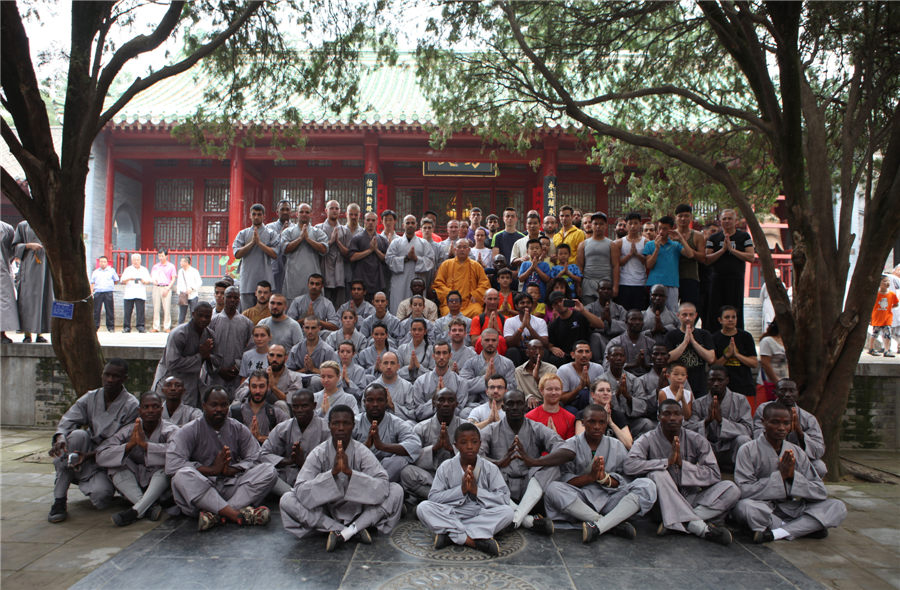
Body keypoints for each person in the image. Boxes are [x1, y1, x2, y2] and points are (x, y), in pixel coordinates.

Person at [279, 404, 404, 549]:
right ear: (329, 425)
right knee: (287, 500)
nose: (340, 428)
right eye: (336, 423)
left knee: (396, 490)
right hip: (327, 511)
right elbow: (300, 490)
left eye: (346, 423)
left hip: (360, 508)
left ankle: (346, 531)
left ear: (353, 426)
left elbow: (382, 486)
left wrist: (350, 473)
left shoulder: (361, 451)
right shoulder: (318, 453)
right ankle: (345, 530)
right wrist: (332, 473)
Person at [624, 400, 739, 544]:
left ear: (683, 417)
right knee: (657, 474)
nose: (672, 418)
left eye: (677, 414)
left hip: (691, 497)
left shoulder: (696, 439)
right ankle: (698, 526)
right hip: (661, 504)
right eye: (667, 414)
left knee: (731, 489)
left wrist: (683, 465)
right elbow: (629, 465)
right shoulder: (647, 439)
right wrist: (666, 462)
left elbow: (714, 474)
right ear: (659, 417)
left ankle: (677, 522)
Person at [540, 404, 657, 542]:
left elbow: (626, 479)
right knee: (552, 488)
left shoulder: (616, 445)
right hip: (580, 500)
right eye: (591, 422)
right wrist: (590, 478)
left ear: (606, 423)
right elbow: (563, 478)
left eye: (601, 422)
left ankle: (599, 525)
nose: (597, 426)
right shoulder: (570, 445)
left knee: (647, 485)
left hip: (610, 498)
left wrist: (604, 479)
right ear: (583, 423)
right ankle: (608, 524)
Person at [733, 402, 847, 543]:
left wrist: (793, 477)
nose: (781, 428)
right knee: (744, 507)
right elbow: (744, 490)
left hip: (792, 508)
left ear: (791, 425)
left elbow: (820, 492)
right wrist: (780, 476)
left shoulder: (797, 451)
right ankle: (802, 528)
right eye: (775, 423)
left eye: (786, 423)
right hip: (763, 508)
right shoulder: (747, 450)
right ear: (763, 422)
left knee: (837, 506)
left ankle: (775, 533)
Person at [166, 386, 277, 530]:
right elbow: (172, 465)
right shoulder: (189, 430)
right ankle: (235, 514)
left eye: (223, 405)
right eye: (214, 405)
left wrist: (232, 469)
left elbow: (255, 457)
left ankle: (217, 514)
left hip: (231, 485)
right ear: (204, 405)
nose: (219, 409)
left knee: (269, 470)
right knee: (181, 476)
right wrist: (211, 470)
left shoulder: (237, 428)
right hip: (202, 488)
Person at [47, 359, 139, 523]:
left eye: (115, 376)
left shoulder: (131, 405)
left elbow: (121, 443)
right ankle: (59, 500)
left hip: (107, 460)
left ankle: (77, 474)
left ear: (124, 379)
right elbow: (68, 420)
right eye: (107, 375)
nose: (110, 380)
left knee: (101, 498)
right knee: (75, 437)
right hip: (84, 447)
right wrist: (60, 438)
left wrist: (88, 456)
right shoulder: (91, 397)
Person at [417, 422, 515, 556]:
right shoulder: (446, 467)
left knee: (508, 512)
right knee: (423, 508)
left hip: (479, 513)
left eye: (474, 442)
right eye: (463, 442)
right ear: (456, 446)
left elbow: (504, 498)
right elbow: (433, 498)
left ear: (480, 444)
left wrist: (477, 492)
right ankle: (472, 540)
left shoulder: (490, 468)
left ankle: (450, 535)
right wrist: (461, 490)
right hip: (452, 513)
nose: (469, 446)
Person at [479, 390, 561, 534]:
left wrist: (534, 462)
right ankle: (527, 521)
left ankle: (515, 518)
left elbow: (564, 448)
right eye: (510, 404)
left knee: (553, 467)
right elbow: (474, 455)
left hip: (530, 485)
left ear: (525, 407)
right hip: (501, 485)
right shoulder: (491, 430)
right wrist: (498, 463)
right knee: (479, 471)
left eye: (519, 404)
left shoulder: (536, 428)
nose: (515, 408)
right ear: (503, 407)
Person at [96, 391, 178, 526]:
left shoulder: (170, 430)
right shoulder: (129, 431)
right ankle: (147, 507)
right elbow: (101, 455)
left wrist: (146, 446)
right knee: (114, 465)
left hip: (160, 485)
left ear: (161, 410)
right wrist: (129, 445)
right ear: (139, 410)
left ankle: (135, 512)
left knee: (168, 468)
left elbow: (178, 452)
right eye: (146, 407)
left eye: (155, 406)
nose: (150, 410)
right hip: (135, 481)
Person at [260, 389, 331, 496]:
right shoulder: (283, 428)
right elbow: (263, 454)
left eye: (304, 406)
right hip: (286, 479)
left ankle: (293, 497)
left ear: (314, 405)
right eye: (295, 407)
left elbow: (331, 465)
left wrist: (304, 463)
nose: (299, 410)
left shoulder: (326, 430)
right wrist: (288, 460)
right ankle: (294, 496)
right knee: (264, 472)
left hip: (314, 477)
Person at [753, 379, 827, 478]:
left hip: (798, 458)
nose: (787, 394)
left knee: (820, 467)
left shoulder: (808, 418)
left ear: (798, 393)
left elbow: (819, 451)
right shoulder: (764, 409)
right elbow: (757, 436)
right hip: (768, 455)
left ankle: (800, 489)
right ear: (775, 392)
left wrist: (799, 432)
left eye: (792, 391)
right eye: (783, 390)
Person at [402, 388, 464, 501]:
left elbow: (473, 457)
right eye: (441, 400)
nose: (446, 404)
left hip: (457, 476)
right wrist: (434, 449)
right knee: (406, 473)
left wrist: (451, 449)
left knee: (476, 473)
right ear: (434, 403)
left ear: (456, 404)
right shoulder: (421, 428)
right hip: (430, 477)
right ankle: (448, 498)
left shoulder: (466, 427)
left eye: (450, 400)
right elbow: (413, 458)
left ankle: (435, 499)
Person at [687, 365, 752, 471]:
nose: (716, 384)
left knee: (744, 440)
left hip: (730, 447)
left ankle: (741, 472)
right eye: (712, 380)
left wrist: (721, 421)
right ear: (707, 381)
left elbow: (748, 429)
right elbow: (688, 429)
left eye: (720, 380)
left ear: (727, 380)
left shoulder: (740, 400)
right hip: (708, 448)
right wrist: (706, 421)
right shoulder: (698, 403)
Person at [353, 384, 422, 482]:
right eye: (370, 400)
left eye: (380, 400)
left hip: (387, 471)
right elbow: (343, 449)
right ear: (364, 402)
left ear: (386, 402)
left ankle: (377, 483)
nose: (375, 404)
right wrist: (365, 446)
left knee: (400, 459)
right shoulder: (355, 422)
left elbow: (415, 445)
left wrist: (382, 446)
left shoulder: (396, 422)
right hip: (360, 469)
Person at [152, 302, 216, 407]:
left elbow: (215, 362)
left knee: (187, 416)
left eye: (207, 317)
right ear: (193, 314)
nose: (203, 319)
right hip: (169, 380)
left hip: (191, 383)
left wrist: (208, 357)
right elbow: (172, 363)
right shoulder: (178, 334)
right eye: (200, 316)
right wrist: (200, 356)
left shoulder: (210, 335)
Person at [705, 209, 755, 330]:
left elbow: (751, 257)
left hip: (735, 279)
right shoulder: (714, 238)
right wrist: (722, 251)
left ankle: (736, 337)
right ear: (720, 221)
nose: (727, 221)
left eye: (729, 219)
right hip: (717, 279)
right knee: (714, 310)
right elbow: (707, 259)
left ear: (735, 221)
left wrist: (732, 251)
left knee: (735, 309)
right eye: (724, 219)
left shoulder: (743, 236)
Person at [206, 286, 254, 396]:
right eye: (229, 297)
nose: (232, 300)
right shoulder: (213, 322)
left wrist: (238, 366)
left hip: (237, 373)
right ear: (223, 298)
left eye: (236, 297)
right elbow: (207, 349)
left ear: (239, 299)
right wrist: (219, 369)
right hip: (217, 374)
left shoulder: (247, 323)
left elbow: (251, 348)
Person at [642, 215, 694, 313]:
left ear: (671, 229)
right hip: (655, 283)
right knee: (654, 311)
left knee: (672, 312)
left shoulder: (675, 245)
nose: (661, 231)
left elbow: (690, 255)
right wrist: (657, 249)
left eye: (665, 229)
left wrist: (681, 239)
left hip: (672, 283)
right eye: (659, 228)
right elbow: (649, 265)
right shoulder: (650, 244)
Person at [233, 204, 280, 310]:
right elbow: (237, 254)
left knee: (265, 314)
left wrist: (259, 243)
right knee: (247, 314)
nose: (256, 217)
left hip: (265, 279)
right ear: (250, 215)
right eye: (254, 214)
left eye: (259, 214)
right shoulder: (243, 233)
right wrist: (252, 243)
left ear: (264, 216)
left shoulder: (271, 233)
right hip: (247, 281)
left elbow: (275, 254)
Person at [12, 220, 53, 341]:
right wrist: (28, 246)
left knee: (45, 299)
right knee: (27, 300)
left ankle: (40, 334)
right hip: (29, 267)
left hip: (47, 268)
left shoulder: (49, 224)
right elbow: (14, 247)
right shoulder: (23, 225)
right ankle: (27, 334)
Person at [385, 215, 435, 313]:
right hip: (400, 282)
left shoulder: (424, 243)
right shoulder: (396, 242)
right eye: (408, 223)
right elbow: (389, 259)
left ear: (416, 225)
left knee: (418, 308)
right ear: (403, 225)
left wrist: (416, 259)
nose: (410, 225)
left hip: (418, 281)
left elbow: (430, 261)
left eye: (413, 223)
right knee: (398, 309)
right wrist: (406, 258)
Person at [664, 302, 715, 398]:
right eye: (684, 315)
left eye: (691, 315)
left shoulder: (704, 334)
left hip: (700, 384)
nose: (688, 318)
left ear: (696, 315)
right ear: (678, 316)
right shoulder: (671, 335)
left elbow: (711, 358)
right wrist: (685, 342)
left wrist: (693, 341)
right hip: (677, 383)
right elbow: (668, 358)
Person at [280, 202, 328, 300]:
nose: (304, 214)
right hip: (293, 277)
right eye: (301, 212)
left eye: (307, 212)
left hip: (312, 276)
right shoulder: (288, 232)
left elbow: (324, 249)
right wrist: (300, 238)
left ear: (311, 214)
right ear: (297, 214)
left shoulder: (317, 232)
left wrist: (308, 240)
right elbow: (284, 249)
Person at [433, 239, 491, 318]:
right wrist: (449, 295)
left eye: (464, 247)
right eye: (459, 247)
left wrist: (476, 295)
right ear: (455, 250)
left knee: (476, 311)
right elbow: (438, 283)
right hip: (451, 302)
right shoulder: (446, 264)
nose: (462, 250)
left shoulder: (476, 265)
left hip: (470, 303)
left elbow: (485, 283)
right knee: (447, 312)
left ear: (469, 250)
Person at [411, 341, 469, 419]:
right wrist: (435, 398)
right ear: (433, 356)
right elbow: (418, 413)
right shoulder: (420, 382)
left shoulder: (461, 382)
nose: (441, 357)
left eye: (444, 353)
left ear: (450, 355)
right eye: (438, 353)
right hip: (427, 424)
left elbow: (459, 411)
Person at [231, 370, 290, 444]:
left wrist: (262, 438)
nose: (257, 391)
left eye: (261, 386)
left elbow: (288, 436)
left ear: (268, 387)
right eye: (254, 386)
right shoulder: (235, 411)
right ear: (249, 387)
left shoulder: (276, 413)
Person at [712, 305, 758, 396]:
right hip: (723, 387)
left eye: (734, 317)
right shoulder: (714, 338)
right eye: (727, 317)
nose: (731, 320)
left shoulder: (746, 336)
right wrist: (727, 355)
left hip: (744, 385)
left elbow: (754, 363)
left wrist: (737, 355)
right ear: (720, 320)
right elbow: (714, 367)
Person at [460, 329, 517, 403]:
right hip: (476, 405)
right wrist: (485, 379)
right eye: (487, 340)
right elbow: (463, 385)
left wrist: (493, 384)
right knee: (464, 413)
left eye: (493, 340)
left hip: (501, 404)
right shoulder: (470, 363)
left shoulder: (508, 363)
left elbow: (512, 387)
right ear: (481, 341)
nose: (490, 343)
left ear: (498, 342)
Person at [575, 378, 634, 449]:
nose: (605, 393)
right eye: (601, 390)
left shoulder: (618, 415)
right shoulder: (583, 414)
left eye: (608, 390)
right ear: (592, 394)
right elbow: (580, 442)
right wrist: (602, 418)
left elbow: (629, 444)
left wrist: (611, 423)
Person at [504, 292, 554, 366]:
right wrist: (522, 327)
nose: (525, 305)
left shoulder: (540, 321)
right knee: (511, 351)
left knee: (544, 351)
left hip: (535, 352)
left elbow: (545, 343)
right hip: (519, 352)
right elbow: (509, 343)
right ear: (516, 306)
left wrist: (529, 327)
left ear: (532, 305)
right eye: (522, 303)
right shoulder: (509, 321)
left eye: (528, 303)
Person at [577, 213, 616, 304]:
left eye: (601, 224)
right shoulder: (583, 245)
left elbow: (615, 266)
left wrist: (615, 287)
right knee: (588, 312)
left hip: (606, 284)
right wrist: (578, 285)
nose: (598, 226)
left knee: (605, 312)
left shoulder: (611, 244)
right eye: (595, 224)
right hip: (588, 283)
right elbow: (579, 267)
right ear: (592, 225)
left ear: (605, 226)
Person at [557, 340, 605, 415]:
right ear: (572, 355)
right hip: (570, 405)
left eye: (587, 352)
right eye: (580, 351)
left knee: (585, 394)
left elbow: (603, 395)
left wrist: (589, 385)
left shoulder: (598, 368)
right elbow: (561, 399)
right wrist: (579, 387)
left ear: (591, 355)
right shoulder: (563, 370)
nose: (584, 355)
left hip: (592, 404)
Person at [612, 212, 648, 312]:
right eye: (630, 223)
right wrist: (629, 255)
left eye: (636, 223)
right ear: (626, 225)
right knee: (624, 312)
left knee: (639, 312)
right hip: (624, 283)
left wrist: (637, 254)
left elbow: (648, 263)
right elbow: (617, 263)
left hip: (640, 283)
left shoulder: (646, 242)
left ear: (640, 224)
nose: (633, 226)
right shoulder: (619, 243)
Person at [673, 204, 707, 310]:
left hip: (690, 277)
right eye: (680, 216)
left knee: (690, 309)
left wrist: (686, 248)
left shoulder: (697, 236)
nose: (683, 218)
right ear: (676, 218)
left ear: (691, 217)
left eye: (686, 216)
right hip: (672, 277)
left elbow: (702, 258)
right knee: (671, 310)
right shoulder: (669, 235)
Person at [546, 292, 595, 366]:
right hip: (565, 357)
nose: (559, 304)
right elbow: (550, 344)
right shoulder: (553, 325)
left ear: (567, 300)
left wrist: (583, 311)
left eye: (561, 301)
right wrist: (552, 348)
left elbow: (600, 325)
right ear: (553, 307)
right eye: (555, 303)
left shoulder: (580, 315)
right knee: (554, 359)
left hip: (584, 352)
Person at [349, 211, 390, 298]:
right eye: (368, 220)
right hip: (361, 278)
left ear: (377, 222)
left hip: (377, 278)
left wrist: (375, 250)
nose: (370, 222)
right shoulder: (357, 238)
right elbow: (352, 257)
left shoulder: (383, 240)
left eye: (373, 220)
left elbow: (387, 259)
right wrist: (370, 250)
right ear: (364, 221)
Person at [526, 374, 577, 439]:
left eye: (557, 389)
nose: (553, 392)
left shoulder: (570, 418)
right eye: (549, 389)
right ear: (541, 391)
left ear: (561, 391)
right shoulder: (530, 418)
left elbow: (570, 446)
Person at [606, 309, 654, 375]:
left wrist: (645, 365)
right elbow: (606, 366)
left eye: (640, 320)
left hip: (646, 379)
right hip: (622, 377)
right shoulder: (615, 343)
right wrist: (633, 365)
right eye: (633, 319)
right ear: (626, 322)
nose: (637, 322)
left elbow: (658, 367)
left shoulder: (651, 343)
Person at [516, 339, 559, 409]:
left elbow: (552, 395)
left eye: (541, 349)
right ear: (527, 352)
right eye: (534, 349)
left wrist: (537, 378)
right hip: (527, 405)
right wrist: (528, 397)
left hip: (545, 404)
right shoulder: (518, 371)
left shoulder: (551, 369)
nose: (538, 352)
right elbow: (518, 394)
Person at [265, 199, 295, 295]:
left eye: (287, 209)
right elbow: (266, 245)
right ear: (277, 212)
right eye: (282, 209)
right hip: (274, 267)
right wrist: (282, 235)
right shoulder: (269, 228)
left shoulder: (295, 228)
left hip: (291, 268)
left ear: (291, 212)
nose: (285, 212)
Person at [396, 316, 435, 382]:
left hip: (424, 385)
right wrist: (409, 367)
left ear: (425, 331)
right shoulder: (401, 349)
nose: (417, 332)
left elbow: (433, 374)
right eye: (414, 330)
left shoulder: (431, 350)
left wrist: (419, 366)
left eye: (420, 330)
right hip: (404, 384)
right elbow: (396, 372)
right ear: (410, 331)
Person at [868, 275, 899, 356]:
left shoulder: (891, 294)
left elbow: (896, 304)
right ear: (879, 283)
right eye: (884, 281)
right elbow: (871, 306)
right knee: (875, 334)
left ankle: (887, 350)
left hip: (887, 318)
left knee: (887, 335)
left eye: (888, 281)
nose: (887, 283)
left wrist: (889, 307)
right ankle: (871, 348)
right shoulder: (875, 295)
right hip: (877, 318)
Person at [757, 320, 788, 400]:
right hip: (770, 383)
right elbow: (765, 363)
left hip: (786, 383)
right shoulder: (767, 341)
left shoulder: (787, 340)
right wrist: (777, 382)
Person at [0, 221, 19, 342]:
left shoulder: (7, 228)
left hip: (2, 269)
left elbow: (12, 250)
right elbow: (12, 252)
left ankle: (1, 333)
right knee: (4, 301)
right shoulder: (7, 228)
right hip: (2, 267)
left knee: (4, 302)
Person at [90, 255, 119, 332]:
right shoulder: (95, 272)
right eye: (101, 262)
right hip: (98, 292)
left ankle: (110, 327)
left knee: (109, 310)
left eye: (104, 262)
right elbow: (92, 282)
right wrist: (91, 291)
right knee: (96, 310)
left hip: (108, 292)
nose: (103, 263)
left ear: (107, 263)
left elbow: (116, 280)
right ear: (99, 263)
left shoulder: (111, 271)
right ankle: (95, 326)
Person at [176, 256, 202, 324]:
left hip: (193, 295)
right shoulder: (180, 271)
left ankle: (193, 329)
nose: (180, 263)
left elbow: (199, 282)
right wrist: (179, 292)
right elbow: (179, 283)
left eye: (182, 261)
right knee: (182, 314)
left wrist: (192, 288)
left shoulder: (194, 271)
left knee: (193, 313)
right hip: (183, 295)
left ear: (186, 262)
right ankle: (180, 329)